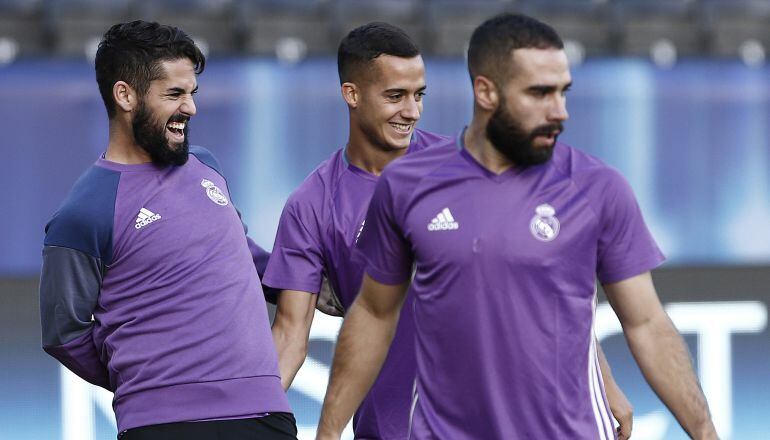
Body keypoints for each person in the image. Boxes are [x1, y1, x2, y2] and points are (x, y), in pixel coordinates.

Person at [316, 13, 718, 440]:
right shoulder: (407, 186)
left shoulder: (598, 188)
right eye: (539, 93)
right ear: (486, 92)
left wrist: (706, 434)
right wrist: (328, 432)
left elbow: (647, 324)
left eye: (563, 92)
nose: (558, 111)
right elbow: (374, 315)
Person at [265, 22, 630, 440]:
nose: (412, 111)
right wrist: (258, 421)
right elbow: (291, 336)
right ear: (351, 94)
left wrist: (604, 380)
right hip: (392, 428)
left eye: (419, 95)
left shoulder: (466, 166)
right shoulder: (311, 205)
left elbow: (546, 284)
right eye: (395, 96)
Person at [39, 20, 296, 440]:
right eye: (174, 94)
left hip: (265, 416)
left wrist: (306, 283)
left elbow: (238, 252)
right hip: (162, 425)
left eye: (192, 93)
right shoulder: (83, 212)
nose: (191, 108)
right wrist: (150, 382)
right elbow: (64, 332)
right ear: (125, 95)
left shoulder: (207, 165)